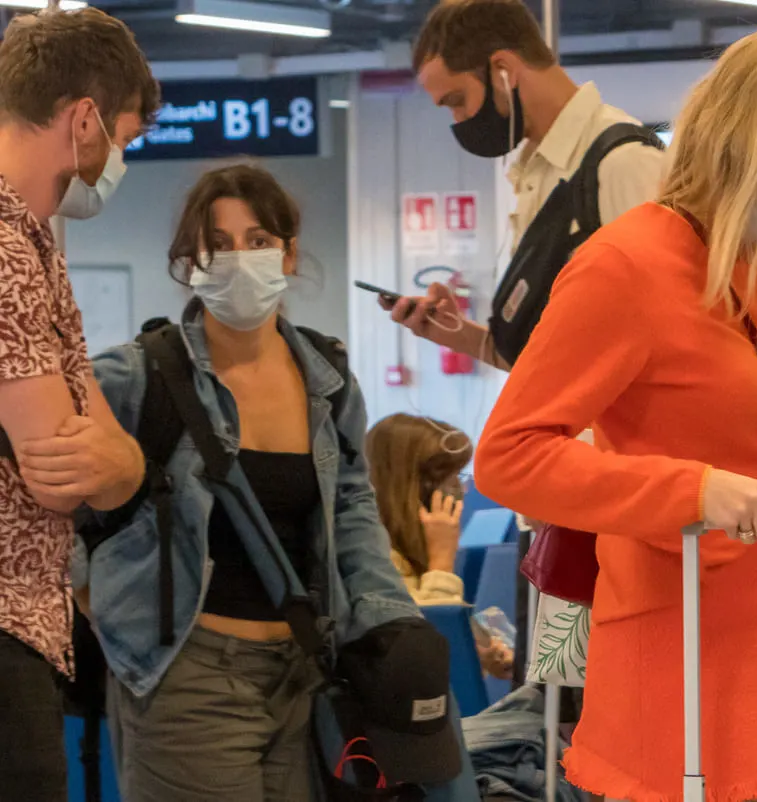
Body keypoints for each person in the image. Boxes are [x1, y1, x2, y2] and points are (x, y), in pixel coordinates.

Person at [77, 164, 479, 802]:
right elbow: (42, 490)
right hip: (189, 676)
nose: (239, 259)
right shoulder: (138, 375)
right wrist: (97, 601)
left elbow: (350, 507)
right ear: (189, 262)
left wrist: (390, 626)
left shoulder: (326, 377)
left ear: (288, 253)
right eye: (218, 244)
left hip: (302, 676)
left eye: (258, 239)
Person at [474, 20, 757, 800]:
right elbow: (512, 454)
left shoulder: (751, 263)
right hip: (682, 683)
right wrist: (690, 491)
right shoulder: (628, 265)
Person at [0, 9, 158, 799]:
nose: (117, 162)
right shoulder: (5, 245)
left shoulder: (35, 243)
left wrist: (118, 460)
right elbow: (61, 471)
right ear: (85, 121)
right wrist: (122, 462)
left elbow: (105, 453)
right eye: (122, 139)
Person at [382, 0, 664, 370]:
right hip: (559, 428)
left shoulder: (622, 163)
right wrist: (456, 334)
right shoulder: (539, 173)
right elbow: (549, 365)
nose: (458, 119)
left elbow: (667, 337)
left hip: (611, 429)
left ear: (503, 69)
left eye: (458, 101)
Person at [366, 412, 513, 680]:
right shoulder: (373, 559)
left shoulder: (411, 554)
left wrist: (477, 657)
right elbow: (418, 650)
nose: (460, 490)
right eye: (450, 478)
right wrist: (442, 564)